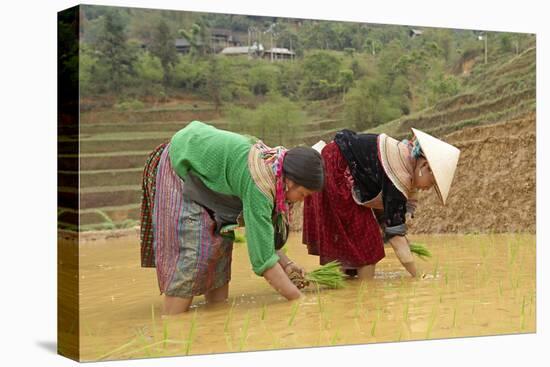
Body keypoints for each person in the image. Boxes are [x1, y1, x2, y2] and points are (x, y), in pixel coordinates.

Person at [140, 121, 325, 314]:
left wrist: (287, 264)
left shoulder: (278, 165)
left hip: (207, 169)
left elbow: (262, 236)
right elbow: (263, 261)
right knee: (193, 256)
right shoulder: (261, 184)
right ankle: (172, 323)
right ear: (289, 182)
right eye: (303, 194)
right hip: (182, 159)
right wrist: (299, 300)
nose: (301, 201)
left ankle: (216, 321)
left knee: (219, 249)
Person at [303, 128, 460, 279]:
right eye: (431, 182)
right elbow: (395, 237)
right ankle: (366, 294)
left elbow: (386, 215)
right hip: (336, 169)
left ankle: (349, 291)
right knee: (368, 245)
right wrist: (417, 276)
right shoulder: (399, 176)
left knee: (356, 244)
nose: (427, 189)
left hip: (334, 162)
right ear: (425, 166)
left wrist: (396, 233)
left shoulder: (402, 156)